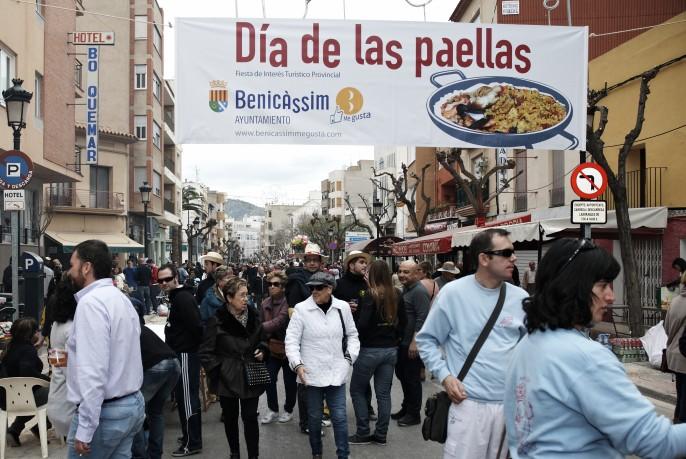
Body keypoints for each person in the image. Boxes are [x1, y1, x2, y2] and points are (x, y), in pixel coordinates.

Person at [504, 238, 686, 458]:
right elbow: (656, 442)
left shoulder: (528, 343)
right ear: (572, 287)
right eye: (602, 286)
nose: (611, 296)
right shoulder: (586, 357)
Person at [416, 228, 528, 459]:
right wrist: (446, 377)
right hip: (468, 405)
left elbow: (531, 350)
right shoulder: (453, 294)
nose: (514, 258)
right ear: (484, 258)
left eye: (513, 252)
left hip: (510, 408)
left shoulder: (521, 299)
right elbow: (427, 340)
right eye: (507, 253)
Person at [66, 239, 145, 458]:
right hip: (130, 405)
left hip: (107, 413)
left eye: (72, 265)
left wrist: (85, 427)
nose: (69, 272)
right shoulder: (120, 298)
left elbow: (93, 371)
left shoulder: (91, 303)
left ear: (86, 267)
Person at [285, 271, 360, 459]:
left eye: (319, 288)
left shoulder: (342, 307)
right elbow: (291, 341)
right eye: (311, 288)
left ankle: (343, 455)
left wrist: (349, 358)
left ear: (330, 289)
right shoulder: (302, 309)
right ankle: (316, 453)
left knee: (340, 418)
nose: (314, 291)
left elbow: (352, 335)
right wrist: (297, 364)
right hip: (311, 374)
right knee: (314, 419)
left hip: (337, 371)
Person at [199, 277, 268, 459]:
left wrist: (262, 350)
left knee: (250, 417)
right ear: (229, 298)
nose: (246, 299)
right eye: (242, 295)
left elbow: (263, 340)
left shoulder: (254, 316)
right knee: (230, 418)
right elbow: (205, 352)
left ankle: (253, 456)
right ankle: (234, 453)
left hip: (251, 373)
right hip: (227, 377)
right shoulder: (217, 320)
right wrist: (219, 370)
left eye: (247, 295)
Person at [349, 260, 406, 446]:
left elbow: (363, 324)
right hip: (390, 349)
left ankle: (363, 432)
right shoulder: (396, 293)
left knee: (357, 390)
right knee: (383, 394)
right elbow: (404, 322)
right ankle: (381, 434)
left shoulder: (370, 294)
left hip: (369, 349)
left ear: (372, 274)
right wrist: (395, 338)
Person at [159, 263, 204, 457]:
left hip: (186, 354)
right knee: (187, 398)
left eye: (167, 279)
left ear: (176, 278)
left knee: (187, 399)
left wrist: (189, 347)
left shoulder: (183, 298)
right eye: (160, 280)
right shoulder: (178, 297)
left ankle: (191, 443)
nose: (163, 283)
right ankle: (190, 436)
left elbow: (197, 327)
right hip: (183, 353)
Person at [285, 243, 326, 434]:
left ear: (320, 261)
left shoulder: (325, 279)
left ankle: (317, 416)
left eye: (315, 260)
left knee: (321, 379)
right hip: (304, 335)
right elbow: (293, 309)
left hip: (322, 334)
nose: (311, 263)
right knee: (305, 379)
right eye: (309, 260)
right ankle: (307, 422)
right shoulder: (297, 280)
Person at [334, 250, 375, 420]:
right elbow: (329, 305)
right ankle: (334, 407)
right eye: (361, 262)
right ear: (351, 265)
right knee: (338, 371)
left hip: (362, 335)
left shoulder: (368, 284)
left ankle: (367, 407)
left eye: (366, 263)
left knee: (362, 374)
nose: (365, 265)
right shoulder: (339, 284)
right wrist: (343, 306)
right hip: (341, 334)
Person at [132, 325, 182, 459]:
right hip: (174, 363)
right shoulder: (136, 325)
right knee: (156, 411)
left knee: (135, 412)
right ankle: (155, 454)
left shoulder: (122, 328)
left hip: (157, 366)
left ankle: (139, 455)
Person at [3, 317, 51, 447]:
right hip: (23, 396)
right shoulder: (28, 351)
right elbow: (27, 372)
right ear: (31, 334)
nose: (39, 334)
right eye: (37, 331)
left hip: (7, 397)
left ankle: (15, 430)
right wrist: (48, 380)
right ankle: (41, 425)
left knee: (30, 395)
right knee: (59, 392)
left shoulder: (9, 348)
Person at [393, 261, 430, 426]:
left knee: (412, 379)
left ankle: (414, 414)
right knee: (403, 376)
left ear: (416, 273)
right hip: (402, 342)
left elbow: (423, 318)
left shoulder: (419, 291)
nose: (402, 275)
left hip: (411, 344)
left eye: (406, 272)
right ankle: (406, 408)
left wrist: (415, 343)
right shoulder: (406, 289)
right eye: (400, 271)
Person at [260, 271, 298, 425]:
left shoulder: (288, 303)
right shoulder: (264, 304)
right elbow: (261, 322)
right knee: (268, 379)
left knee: (290, 382)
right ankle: (273, 409)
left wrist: (258, 328)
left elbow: (280, 321)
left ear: (283, 287)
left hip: (289, 347)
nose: (272, 287)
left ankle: (289, 410)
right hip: (272, 347)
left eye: (276, 284)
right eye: (270, 284)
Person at [46, 274, 78, 441]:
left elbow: (56, 360)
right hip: (68, 406)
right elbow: (71, 372)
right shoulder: (72, 329)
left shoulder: (56, 326)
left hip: (56, 400)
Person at [664, 269, 686, 422]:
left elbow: (666, 328)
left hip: (674, 354)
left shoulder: (675, 301)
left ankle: (677, 421)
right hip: (684, 355)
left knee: (681, 394)